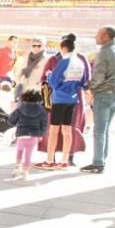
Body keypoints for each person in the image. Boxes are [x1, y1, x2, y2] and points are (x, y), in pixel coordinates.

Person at [36, 34, 88, 171]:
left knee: (53, 130)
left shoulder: (64, 62)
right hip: (72, 98)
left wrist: (49, 75)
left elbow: (52, 82)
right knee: (67, 129)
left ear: (64, 48)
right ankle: (64, 161)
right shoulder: (80, 62)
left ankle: (49, 160)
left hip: (59, 99)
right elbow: (83, 82)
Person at [82, 26, 115, 174]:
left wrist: (90, 88)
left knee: (99, 130)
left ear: (106, 36)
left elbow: (98, 76)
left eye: (98, 34)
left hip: (105, 94)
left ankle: (98, 163)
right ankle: (102, 158)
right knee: (105, 129)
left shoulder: (104, 52)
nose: (95, 37)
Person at [8, 89, 48, 181]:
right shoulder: (42, 110)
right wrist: (41, 134)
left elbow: (11, 120)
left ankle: (17, 166)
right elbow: (44, 124)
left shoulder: (21, 108)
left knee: (19, 151)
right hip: (34, 135)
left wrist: (13, 123)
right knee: (28, 154)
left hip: (21, 134)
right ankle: (25, 172)